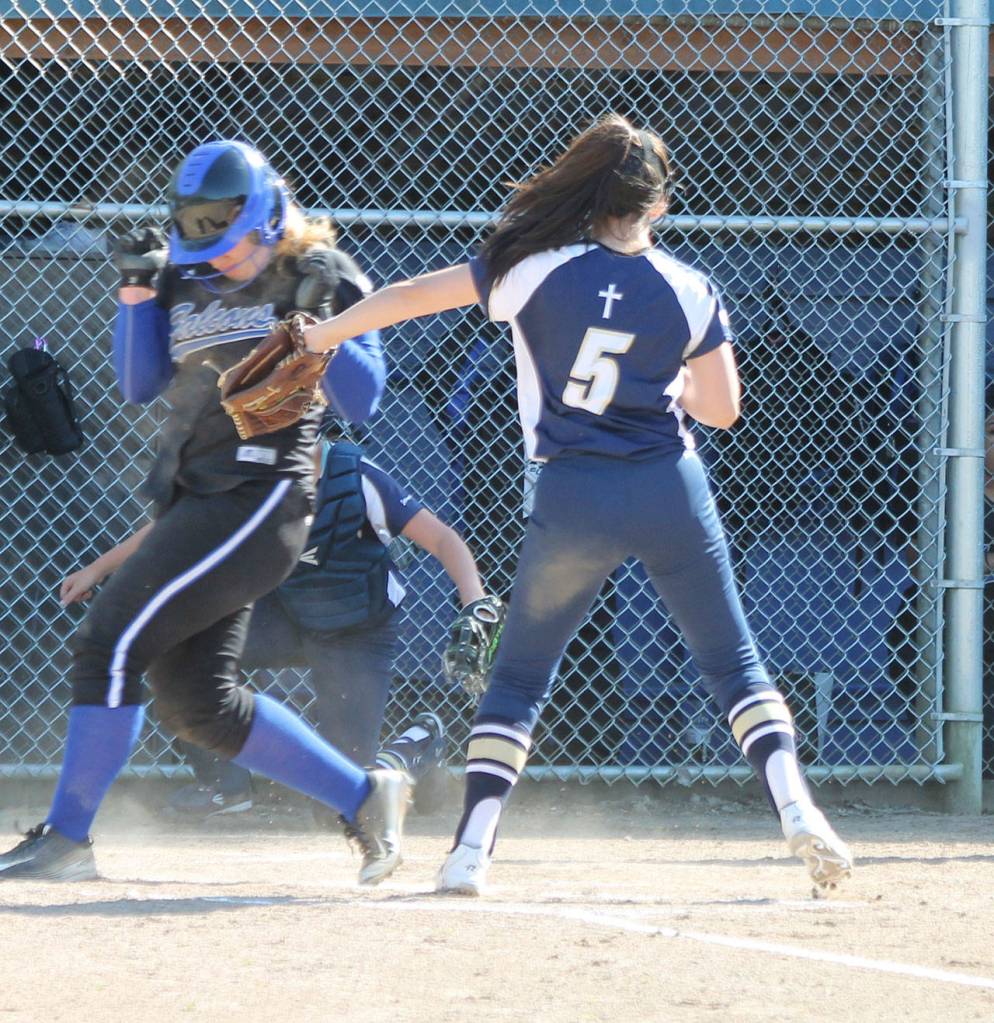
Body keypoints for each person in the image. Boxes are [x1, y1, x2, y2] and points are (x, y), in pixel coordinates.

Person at [298, 113, 854, 895]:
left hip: (570, 493)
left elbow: (410, 296)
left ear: (586, 192)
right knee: (734, 662)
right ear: (655, 207)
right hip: (669, 486)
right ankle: (799, 809)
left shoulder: (531, 264)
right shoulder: (691, 287)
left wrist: (326, 335)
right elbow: (723, 409)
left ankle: (469, 853)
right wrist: (666, 380)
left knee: (521, 675)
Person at [0, 140, 410, 886]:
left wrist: (318, 325)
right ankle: (366, 796)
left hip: (264, 496)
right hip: (195, 496)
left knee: (109, 641)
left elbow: (365, 401)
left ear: (271, 219)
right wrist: (135, 291)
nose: (220, 259)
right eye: (205, 238)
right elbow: (138, 383)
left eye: (234, 238)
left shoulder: (326, 272)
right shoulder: (187, 273)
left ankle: (66, 838)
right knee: (199, 702)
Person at [59, 417, 493, 818]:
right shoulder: (255, 475)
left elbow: (442, 538)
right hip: (284, 614)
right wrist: (99, 568)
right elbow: (175, 527)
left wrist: (473, 600)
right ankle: (226, 788)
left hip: (355, 628)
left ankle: (418, 745)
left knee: (341, 803)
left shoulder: (356, 477)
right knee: (179, 650)